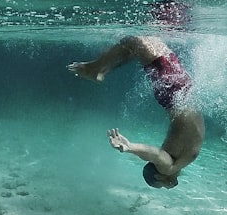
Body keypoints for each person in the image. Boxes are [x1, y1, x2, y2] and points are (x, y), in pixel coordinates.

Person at [68, 35, 204, 189]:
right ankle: (102, 70)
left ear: (159, 175)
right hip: (178, 94)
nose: (168, 186)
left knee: (135, 43)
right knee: (147, 44)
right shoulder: (177, 163)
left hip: (175, 93)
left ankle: (95, 68)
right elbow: (156, 156)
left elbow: (155, 155)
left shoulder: (168, 168)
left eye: (161, 185)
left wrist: (130, 147)